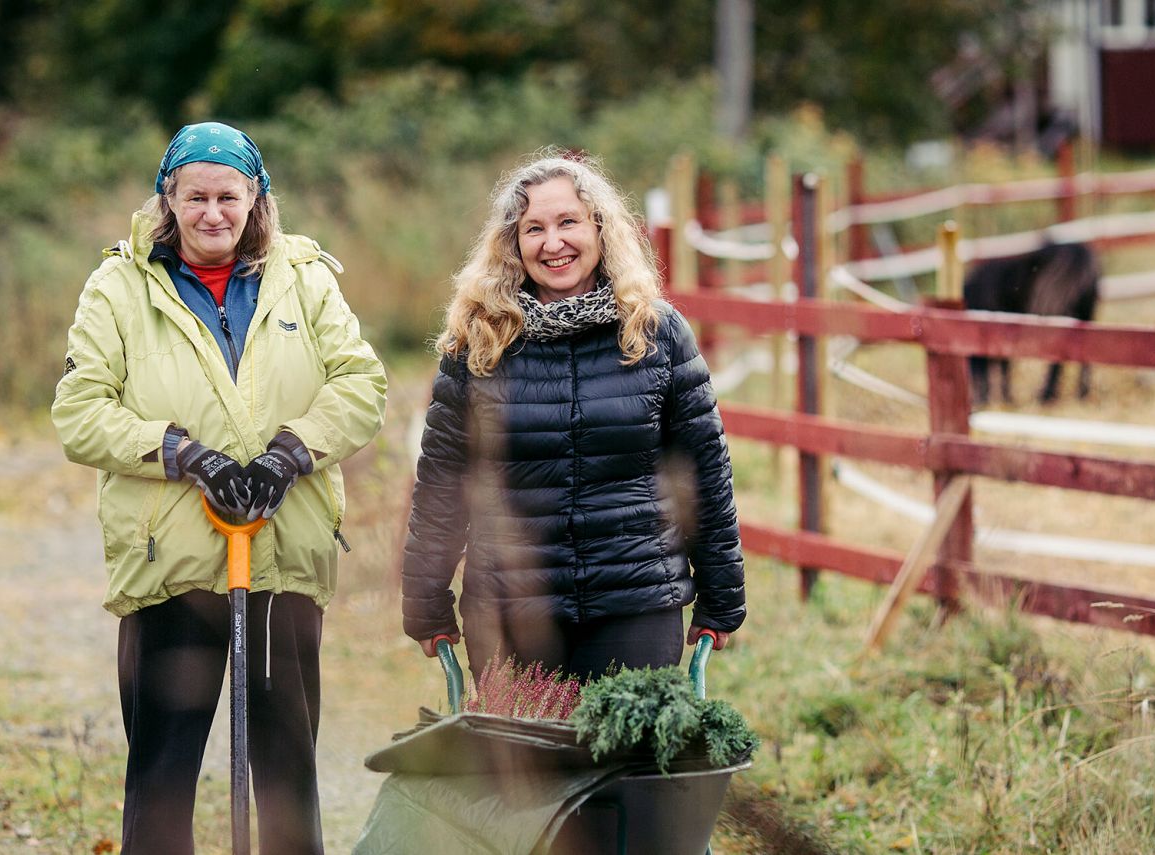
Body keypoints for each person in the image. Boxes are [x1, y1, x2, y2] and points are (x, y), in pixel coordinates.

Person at [52, 121, 386, 855]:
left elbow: (361, 385)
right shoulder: (119, 286)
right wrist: (182, 453)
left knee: (286, 771)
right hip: (170, 561)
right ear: (166, 198)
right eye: (194, 196)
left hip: (283, 551)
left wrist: (289, 455)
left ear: (255, 195)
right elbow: (80, 413)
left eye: (228, 196)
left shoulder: (305, 276)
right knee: (162, 775)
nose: (212, 213)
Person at [399, 151, 745, 684]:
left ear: (600, 229)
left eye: (568, 222)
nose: (552, 243)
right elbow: (444, 478)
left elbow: (704, 469)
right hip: (511, 606)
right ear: (513, 244)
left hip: (636, 599)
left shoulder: (657, 332)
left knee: (627, 763)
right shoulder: (479, 342)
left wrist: (720, 593)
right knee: (525, 765)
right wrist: (426, 600)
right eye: (533, 228)